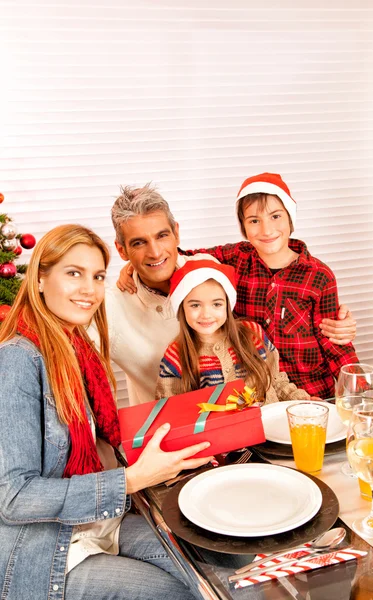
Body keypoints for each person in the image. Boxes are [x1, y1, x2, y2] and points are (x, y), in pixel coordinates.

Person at [0, 224, 212, 600]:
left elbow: (107, 442)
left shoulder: (76, 345)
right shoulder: (17, 360)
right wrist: (129, 481)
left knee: (200, 567)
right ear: (41, 279)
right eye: (73, 273)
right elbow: (14, 498)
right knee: (173, 593)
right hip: (43, 545)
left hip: (99, 519)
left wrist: (184, 449)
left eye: (97, 276)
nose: (89, 290)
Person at [115, 182, 357, 402]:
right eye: (254, 221)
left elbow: (335, 342)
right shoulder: (236, 258)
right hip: (254, 399)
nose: (266, 229)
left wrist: (360, 388)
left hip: (309, 394)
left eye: (275, 216)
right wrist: (134, 265)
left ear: (290, 218)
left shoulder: (319, 275)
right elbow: (177, 256)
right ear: (243, 227)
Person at [156, 259, 311, 403]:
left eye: (216, 304)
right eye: (195, 305)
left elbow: (276, 379)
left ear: (227, 305)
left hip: (271, 424)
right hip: (220, 432)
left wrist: (301, 399)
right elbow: (171, 407)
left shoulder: (252, 334)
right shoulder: (176, 355)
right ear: (181, 308)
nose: (206, 315)